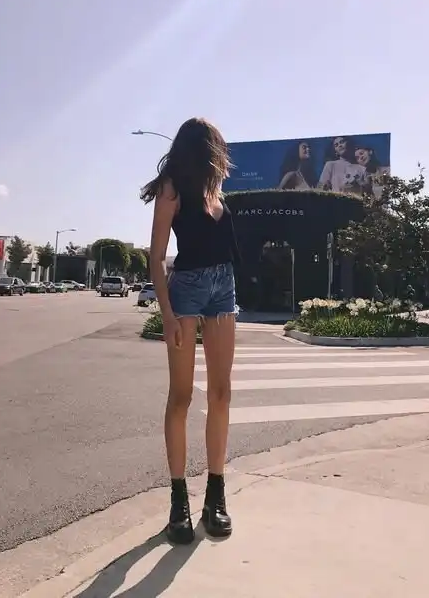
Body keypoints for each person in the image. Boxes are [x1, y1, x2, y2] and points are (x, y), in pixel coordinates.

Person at [140, 117, 239, 544]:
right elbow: (157, 256)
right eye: (216, 145)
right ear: (206, 147)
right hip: (187, 289)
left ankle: (215, 496)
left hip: (223, 287)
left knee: (221, 392)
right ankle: (178, 501)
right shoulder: (172, 188)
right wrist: (166, 314)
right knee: (181, 396)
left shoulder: (216, 191)